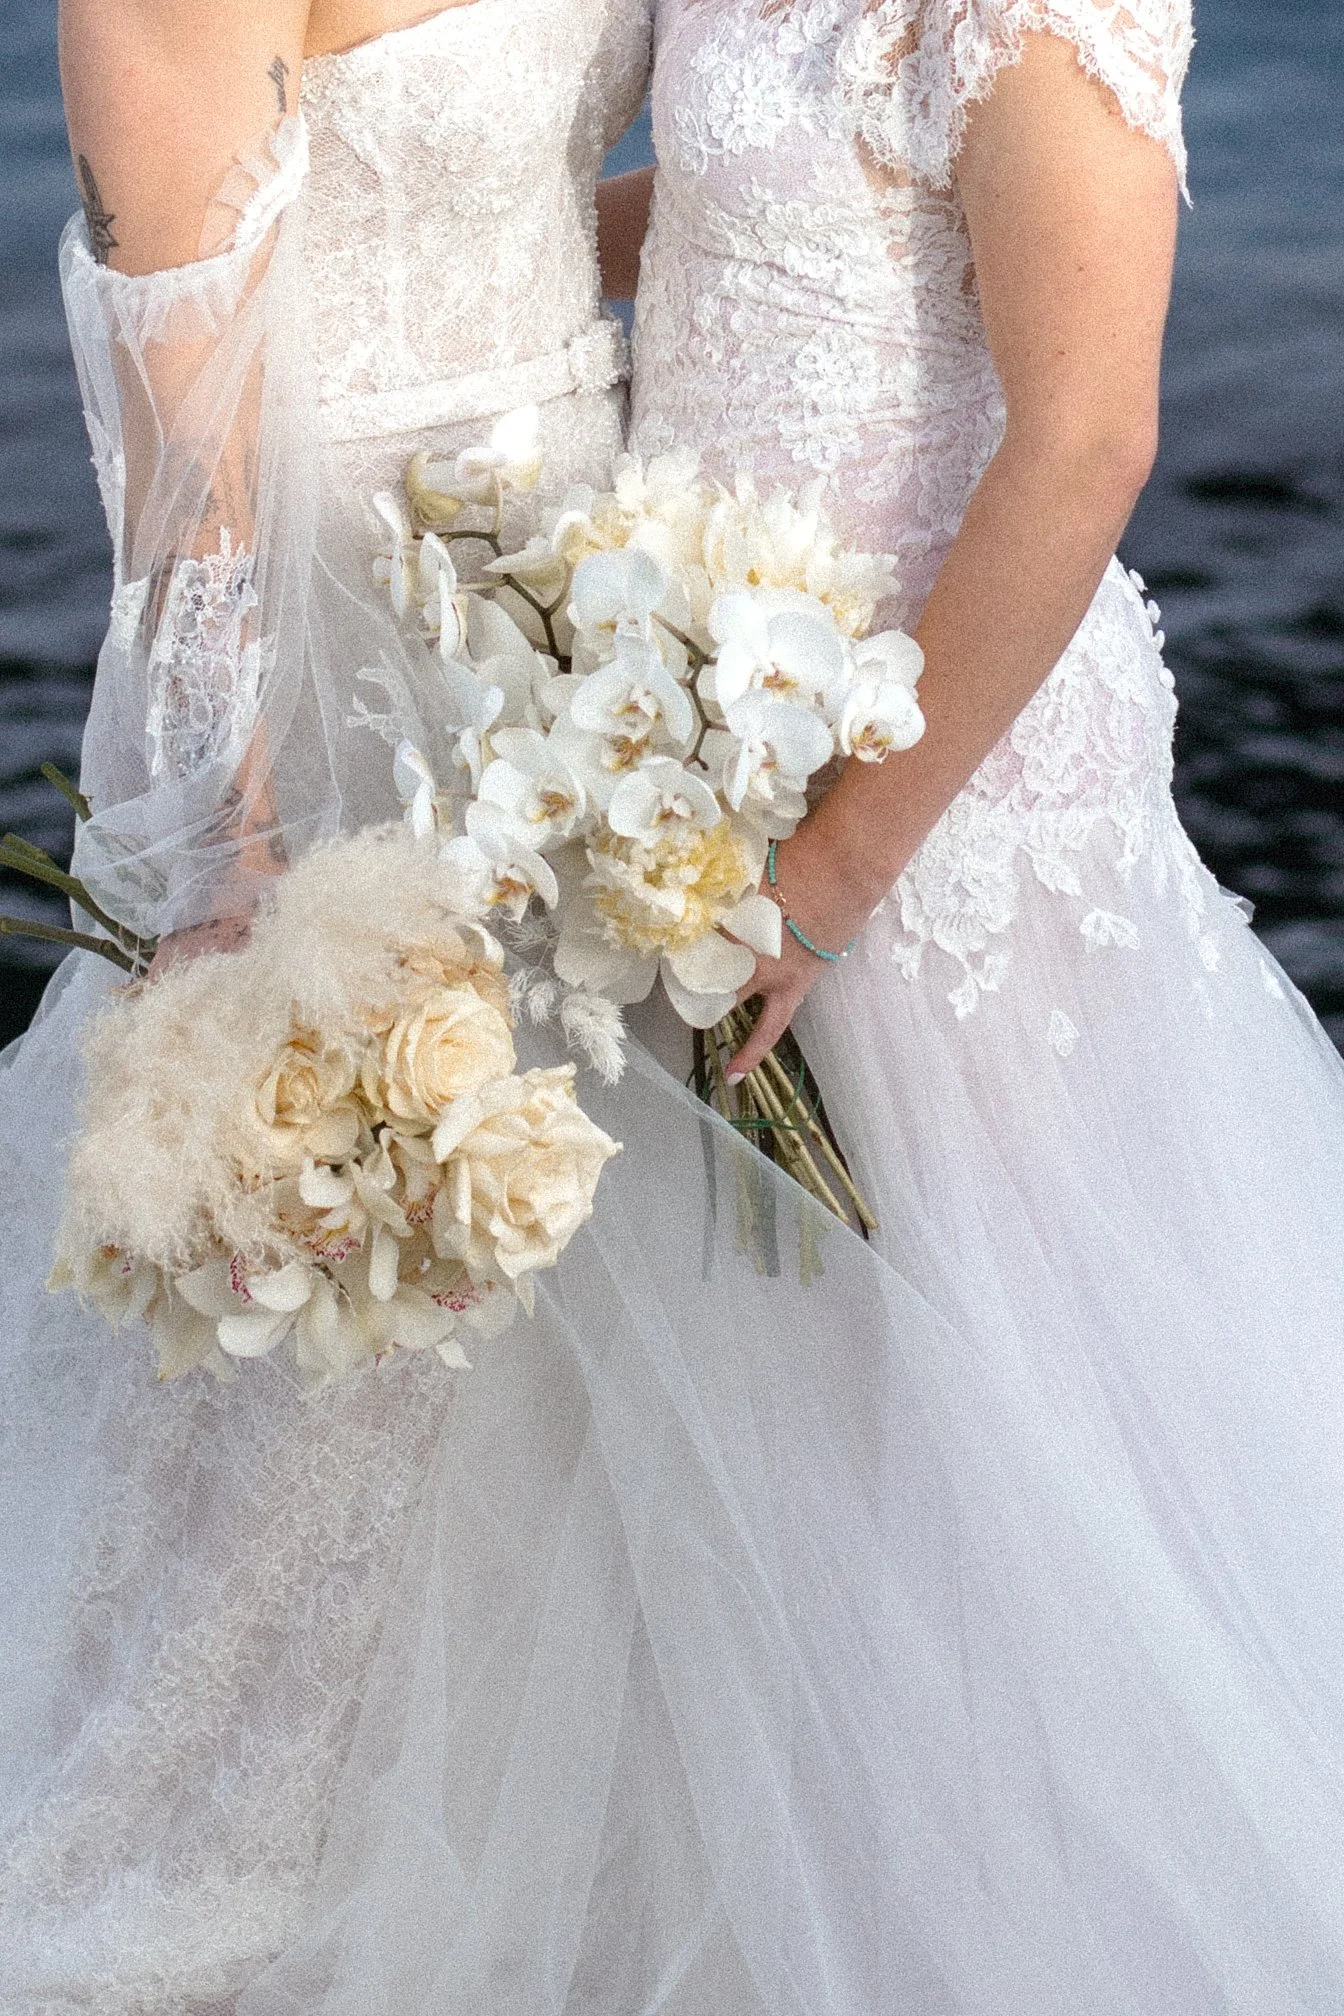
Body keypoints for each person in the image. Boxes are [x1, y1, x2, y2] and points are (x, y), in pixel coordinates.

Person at [5, 4, 1344, 2013]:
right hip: (454, 634)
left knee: (773, 1350)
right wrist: (233, 864)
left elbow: (1050, 402)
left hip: (711, 662)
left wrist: (824, 859)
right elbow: (197, 430)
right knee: (412, 1349)